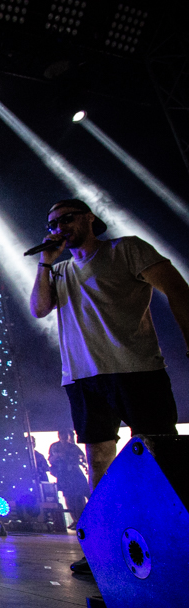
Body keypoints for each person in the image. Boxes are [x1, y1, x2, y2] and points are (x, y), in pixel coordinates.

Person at [30, 198, 189, 573]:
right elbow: (39, 309)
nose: (59, 227)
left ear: (90, 218)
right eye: (52, 224)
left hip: (136, 369)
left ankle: (175, 544)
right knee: (98, 460)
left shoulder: (126, 249)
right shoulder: (59, 270)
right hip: (83, 376)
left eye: (67, 219)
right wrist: (45, 262)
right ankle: (103, 550)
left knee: (158, 454)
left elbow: (177, 288)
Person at [48, 429, 90, 527]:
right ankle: (75, 520)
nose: (64, 437)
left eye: (66, 435)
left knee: (79, 496)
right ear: (59, 436)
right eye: (62, 435)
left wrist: (82, 461)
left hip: (75, 474)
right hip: (63, 475)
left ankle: (82, 519)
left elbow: (83, 458)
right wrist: (58, 456)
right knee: (67, 496)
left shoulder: (73, 447)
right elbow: (50, 460)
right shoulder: (54, 447)